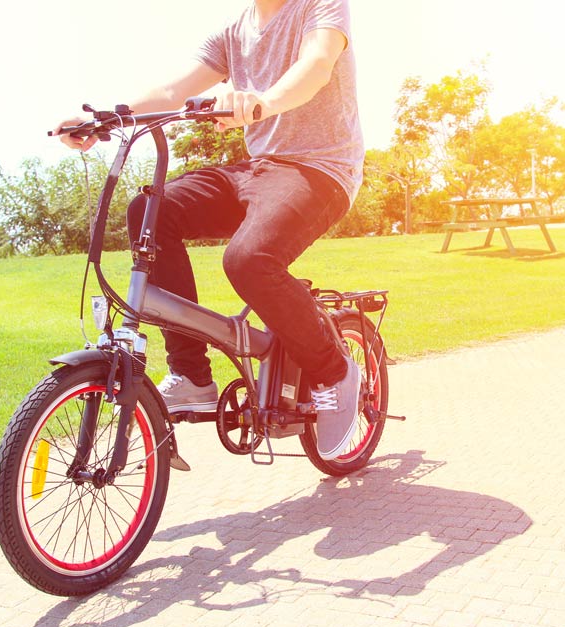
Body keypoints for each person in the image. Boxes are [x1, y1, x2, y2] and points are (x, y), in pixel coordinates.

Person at [55, 0, 364, 461]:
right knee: (150, 210)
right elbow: (173, 89)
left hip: (320, 169)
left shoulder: (319, 6)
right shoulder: (235, 31)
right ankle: (193, 375)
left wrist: (262, 101)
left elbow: (316, 65)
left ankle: (335, 372)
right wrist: (105, 117)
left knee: (248, 261)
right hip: (257, 168)